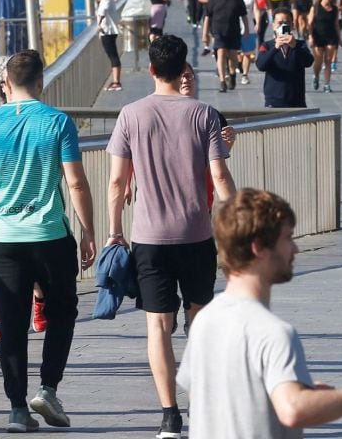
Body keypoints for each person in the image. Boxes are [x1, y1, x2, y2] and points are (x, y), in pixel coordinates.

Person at [176, 188, 342, 437]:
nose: (294, 249)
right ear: (259, 247)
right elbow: (293, 410)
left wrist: (286, 387)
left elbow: (217, 394)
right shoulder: (273, 333)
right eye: (288, 238)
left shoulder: (206, 319)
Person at [106, 34, 235, 439]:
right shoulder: (204, 114)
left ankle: (169, 417)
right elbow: (219, 176)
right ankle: (202, 406)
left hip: (149, 237)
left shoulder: (130, 115)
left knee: (158, 327)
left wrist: (114, 232)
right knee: (200, 323)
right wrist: (236, 225)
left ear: (150, 69)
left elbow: (116, 181)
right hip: (196, 235)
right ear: (184, 70)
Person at [0, 50, 96, 433]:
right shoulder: (57, 122)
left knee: (13, 321)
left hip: (3, 239)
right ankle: (49, 388)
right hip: (49, 235)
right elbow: (75, 182)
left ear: (4, 84)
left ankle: (17, 409)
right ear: (41, 81)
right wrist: (88, 231)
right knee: (63, 314)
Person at [203, 0, 251, 93]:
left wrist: (246, 29)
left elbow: (244, 14)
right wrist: (205, 33)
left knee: (233, 55)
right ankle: (222, 81)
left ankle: (232, 74)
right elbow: (208, 16)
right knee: (221, 52)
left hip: (233, 30)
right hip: (218, 30)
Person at [256, 8, 315, 108]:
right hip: (274, 99)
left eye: (286, 23)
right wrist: (275, 48)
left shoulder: (300, 45)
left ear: (292, 25)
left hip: (296, 99)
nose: (283, 26)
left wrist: (294, 46)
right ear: (273, 25)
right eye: (279, 23)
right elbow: (261, 65)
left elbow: (308, 62)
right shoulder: (267, 46)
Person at [308, 0, 342, 93]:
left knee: (328, 61)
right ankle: (316, 76)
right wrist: (310, 37)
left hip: (331, 36)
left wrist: (340, 39)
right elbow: (310, 24)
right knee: (318, 61)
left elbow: (336, 24)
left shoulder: (335, 9)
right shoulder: (315, 7)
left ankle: (327, 84)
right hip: (318, 36)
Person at [97, 0, 122, 92]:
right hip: (108, 31)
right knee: (112, 55)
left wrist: (99, 23)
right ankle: (115, 80)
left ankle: (117, 82)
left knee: (113, 56)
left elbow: (102, 11)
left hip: (108, 31)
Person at [234, 0, 258, 85]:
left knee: (247, 53)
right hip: (234, 27)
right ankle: (235, 67)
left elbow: (256, 9)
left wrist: (257, 23)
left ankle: (245, 75)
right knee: (234, 52)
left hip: (249, 27)